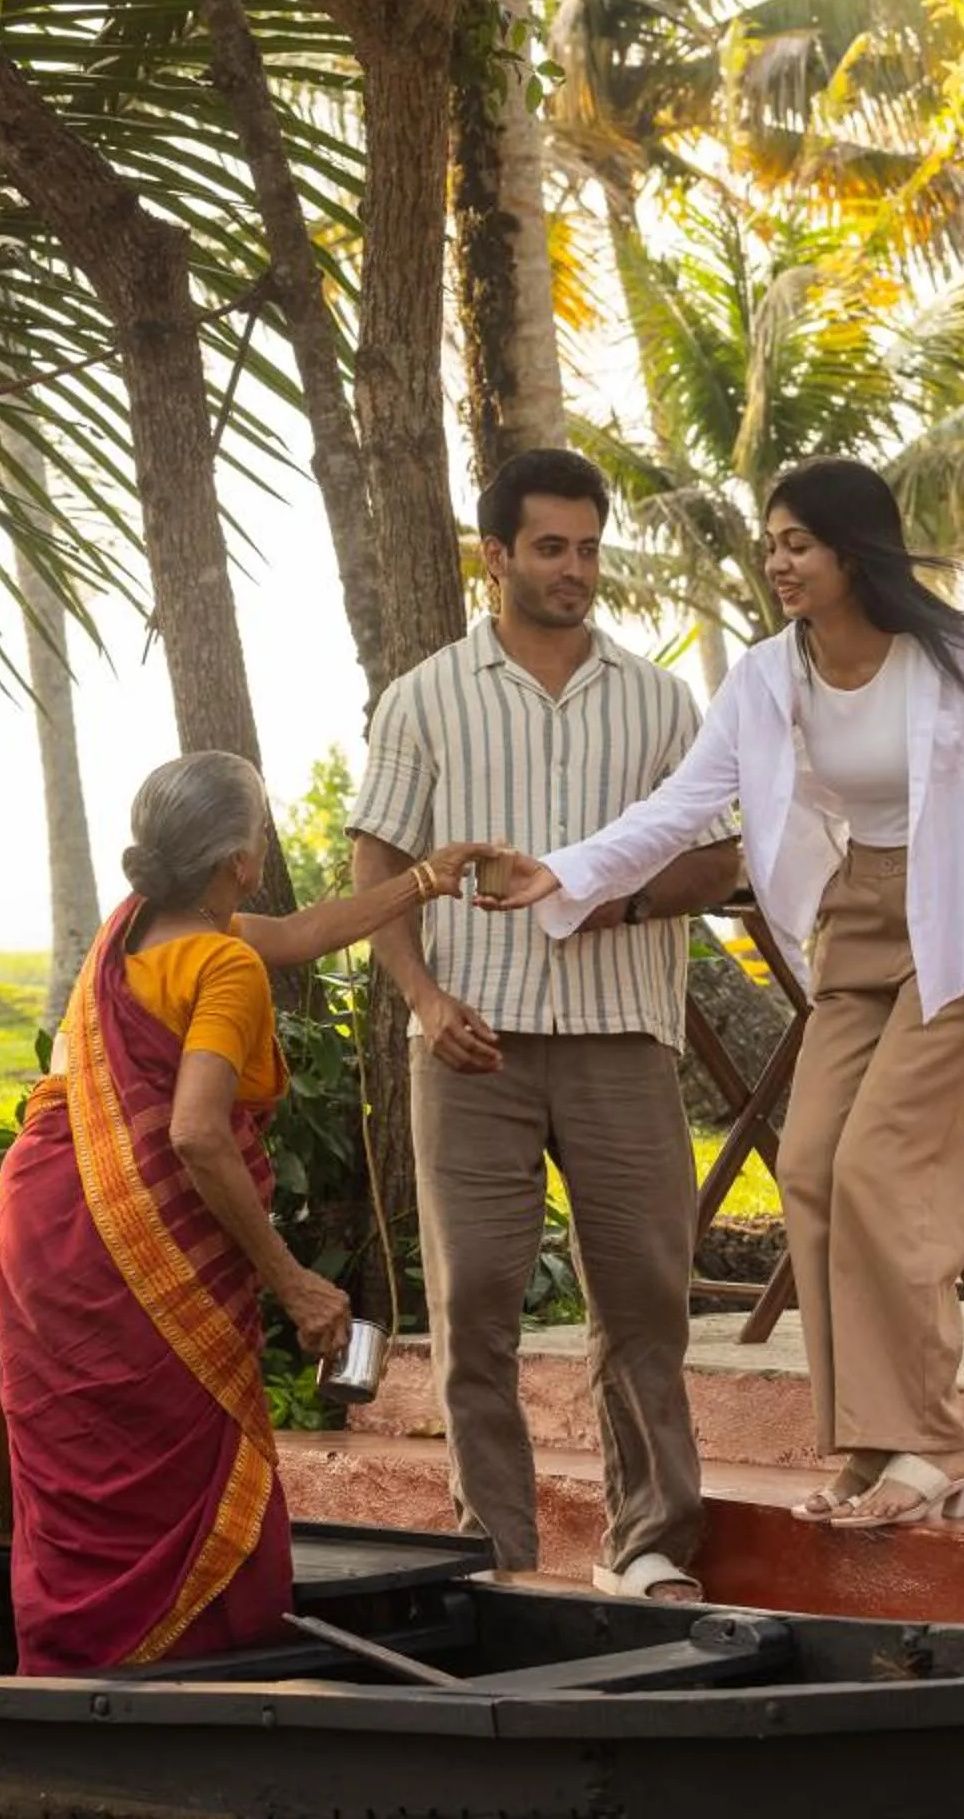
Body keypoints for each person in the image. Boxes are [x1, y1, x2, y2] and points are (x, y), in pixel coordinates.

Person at [493, 458, 964, 1532]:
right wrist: (564, 871)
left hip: (963, 933)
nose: (777, 562)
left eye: (797, 543)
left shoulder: (956, 661)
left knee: (880, 1170)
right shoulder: (768, 674)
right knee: (808, 1167)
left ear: (854, 552)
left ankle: (932, 1442)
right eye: (772, 543)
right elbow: (682, 805)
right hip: (854, 920)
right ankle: (872, 1439)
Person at [0, 750, 498, 1674]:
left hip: (46, 1224)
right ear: (240, 862)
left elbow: (304, 934)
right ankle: (183, 1661)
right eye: (260, 835)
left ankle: (74, 1664)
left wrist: (425, 880)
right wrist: (294, 1282)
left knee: (83, 1448)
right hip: (135, 1241)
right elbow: (195, 1136)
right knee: (167, 1449)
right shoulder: (222, 968)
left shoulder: (132, 935)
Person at [349, 448, 743, 1602]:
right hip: (474, 1042)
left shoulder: (660, 699)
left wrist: (610, 898)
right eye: (553, 547)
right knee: (473, 1302)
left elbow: (718, 854)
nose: (578, 569)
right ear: (497, 556)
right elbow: (378, 865)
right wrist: (423, 1001)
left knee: (644, 1296)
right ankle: (496, 1555)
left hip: (624, 1034)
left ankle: (651, 1542)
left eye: (590, 546)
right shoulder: (425, 696)